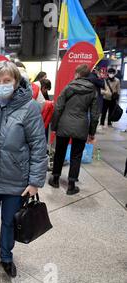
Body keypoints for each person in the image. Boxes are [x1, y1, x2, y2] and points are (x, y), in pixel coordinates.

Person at [0, 61, 48, 278]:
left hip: (16, 179)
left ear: (16, 81)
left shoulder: (29, 107)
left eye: (7, 81)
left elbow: (39, 146)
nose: (2, 85)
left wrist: (35, 181)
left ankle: (6, 257)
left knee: (9, 222)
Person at [49, 64, 99, 195]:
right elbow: (94, 115)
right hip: (81, 126)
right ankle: (71, 185)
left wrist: (54, 126)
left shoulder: (68, 87)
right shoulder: (93, 90)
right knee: (76, 156)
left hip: (64, 124)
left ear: (77, 74)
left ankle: (55, 179)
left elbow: (58, 108)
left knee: (59, 152)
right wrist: (92, 132)